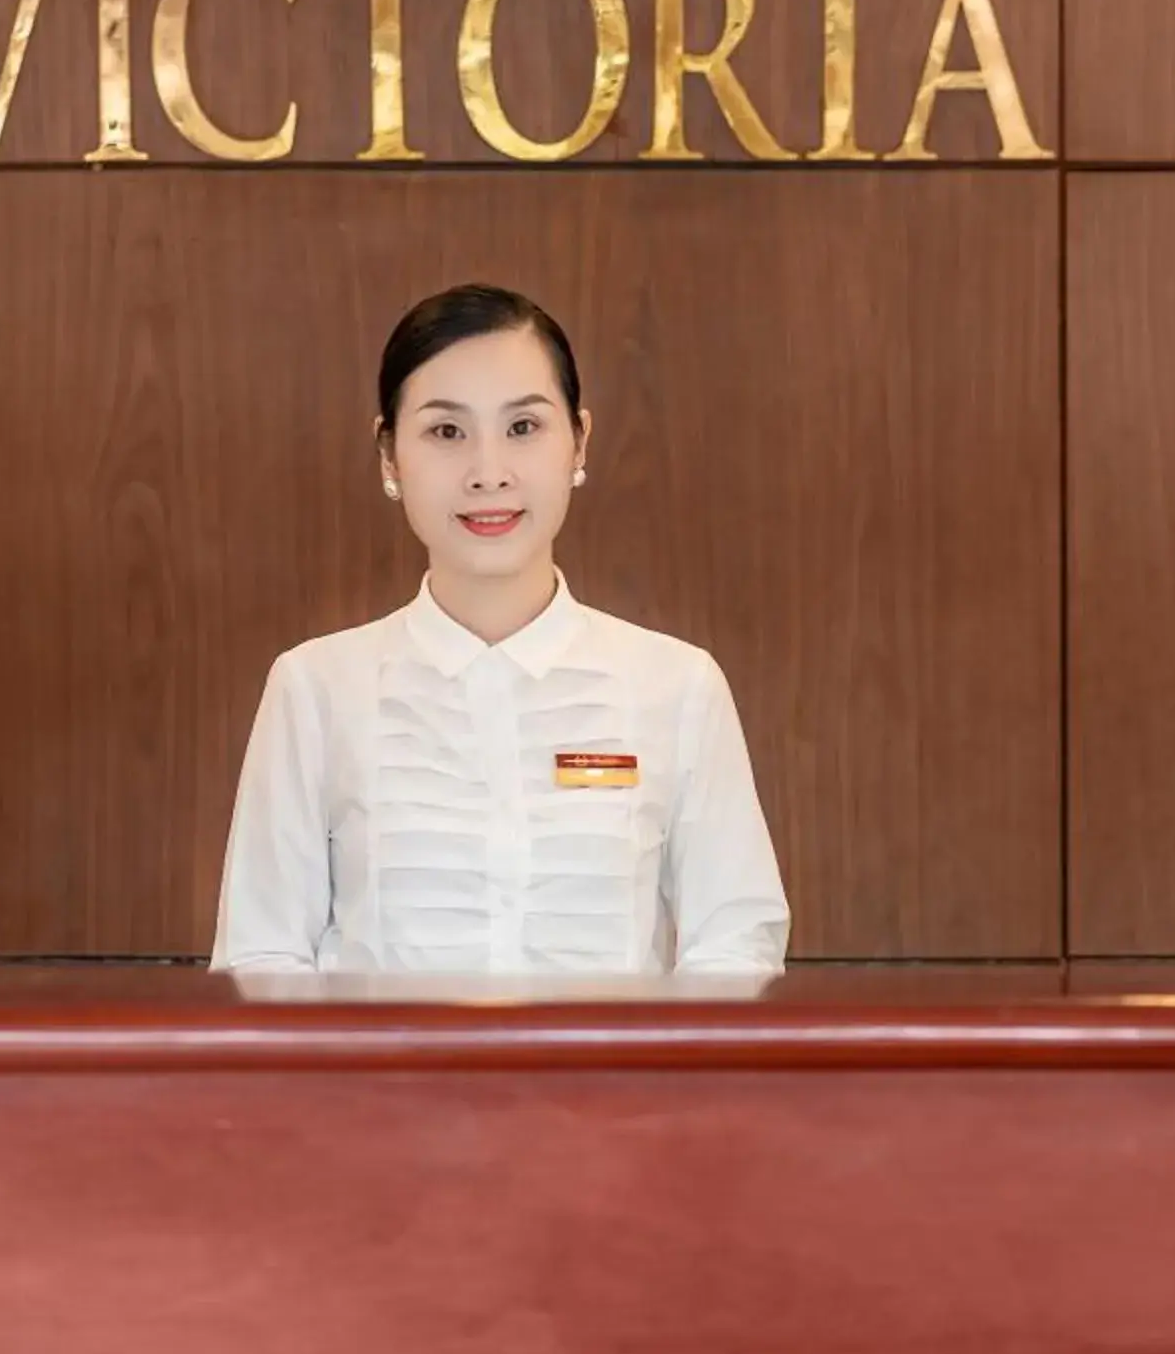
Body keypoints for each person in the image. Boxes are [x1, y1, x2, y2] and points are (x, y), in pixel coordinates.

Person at [210, 284, 789, 975]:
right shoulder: (315, 687)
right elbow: (260, 955)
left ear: (579, 442)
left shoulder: (678, 686)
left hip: (615, 1086)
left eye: (523, 428)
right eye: (446, 432)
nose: (489, 474)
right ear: (390, 455)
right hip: (379, 1086)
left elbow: (735, 949)